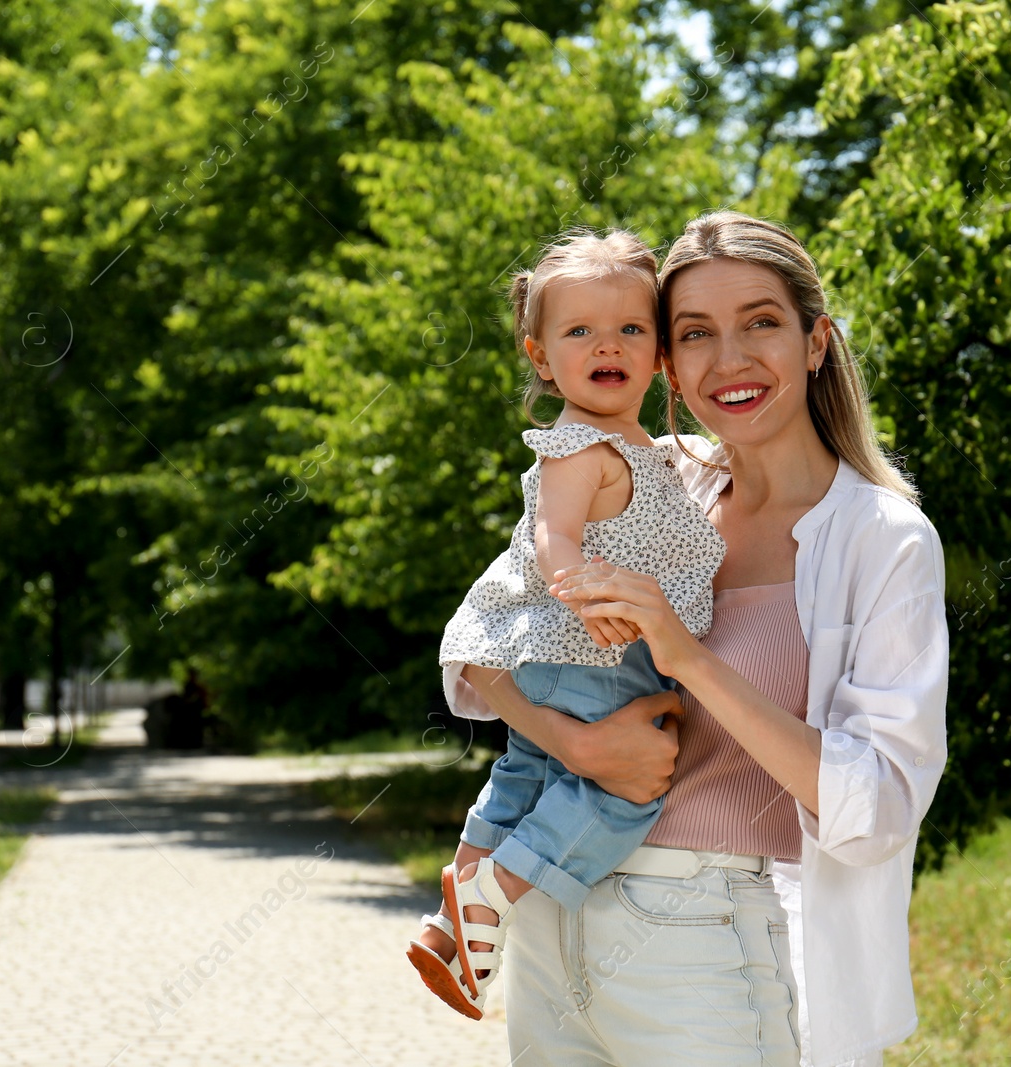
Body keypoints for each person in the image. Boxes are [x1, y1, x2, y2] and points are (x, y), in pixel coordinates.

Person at [443, 211, 950, 1067]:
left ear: (816, 340)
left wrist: (687, 657)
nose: (731, 359)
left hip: (701, 928)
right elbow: (484, 639)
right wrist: (575, 743)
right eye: (696, 334)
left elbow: (880, 807)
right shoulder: (645, 479)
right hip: (555, 916)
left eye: (761, 322)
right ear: (665, 362)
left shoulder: (882, 538)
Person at [406, 229, 727, 1020]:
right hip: (592, 651)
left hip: (557, 655)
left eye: (628, 329)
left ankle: (448, 920)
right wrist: (578, 589)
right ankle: (494, 896)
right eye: (578, 330)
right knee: (616, 796)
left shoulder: (643, 447)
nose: (604, 345)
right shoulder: (578, 446)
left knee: (524, 774)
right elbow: (556, 533)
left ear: (658, 354)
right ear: (541, 356)